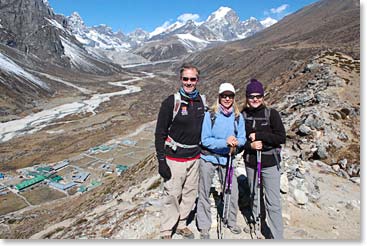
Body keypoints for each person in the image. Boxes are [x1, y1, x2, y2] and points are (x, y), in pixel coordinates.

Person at [155, 63, 206, 239]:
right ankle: (166, 230)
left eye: (193, 79)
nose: (189, 82)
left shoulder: (202, 101)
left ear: (197, 80)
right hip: (175, 159)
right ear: (181, 79)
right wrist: (161, 161)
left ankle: (182, 223)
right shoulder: (171, 102)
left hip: (195, 157)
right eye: (186, 79)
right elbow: (160, 133)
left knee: (190, 193)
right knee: (172, 194)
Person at [197, 82, 246, 239]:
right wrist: (225, 142)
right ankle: (204, 226)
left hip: (227, 159)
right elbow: (205, 140)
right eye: (224, 96)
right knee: (204, 191)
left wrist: (237, 142)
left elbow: (243, 138)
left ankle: (231, 221)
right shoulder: (210, 115)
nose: (227, 98)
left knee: (232, 190)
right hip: (208, 158)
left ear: (233, 98)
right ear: (219, 97)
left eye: (230, 96)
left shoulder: (238, 117)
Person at [241, 78, 286, 239]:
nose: (255, 99)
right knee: (254, 195)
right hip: (251, 162)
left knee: (273, 201)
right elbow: (240, 141)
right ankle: (257, 224)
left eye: (258, 96)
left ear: (263, 96)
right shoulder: (242, 116)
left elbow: (281, 137)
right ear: (247, 97)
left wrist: (259, 136)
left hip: (270, 163)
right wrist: (250, 146)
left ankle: (276, 236)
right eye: (252, 96)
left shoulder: (271, 114)